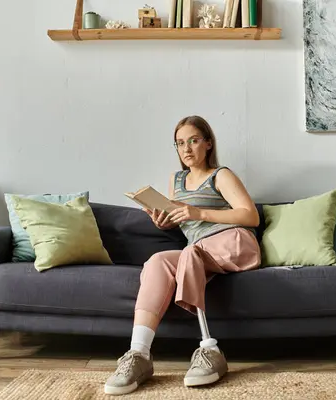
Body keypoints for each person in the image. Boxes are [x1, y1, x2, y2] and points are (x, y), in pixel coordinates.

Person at [104, 115, 261, 396]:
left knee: (190, 253)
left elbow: (250, 216)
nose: (186, 149)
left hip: (234, 242)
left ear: (208, 144)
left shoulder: (220, 174)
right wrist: (164, 220)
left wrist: (198, 212)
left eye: (193, 140)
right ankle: (138, 354)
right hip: (199, 250)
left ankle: (208, 350)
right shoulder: (176, 180)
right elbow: (181, 222)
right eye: (180, 143)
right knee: (158, 261)